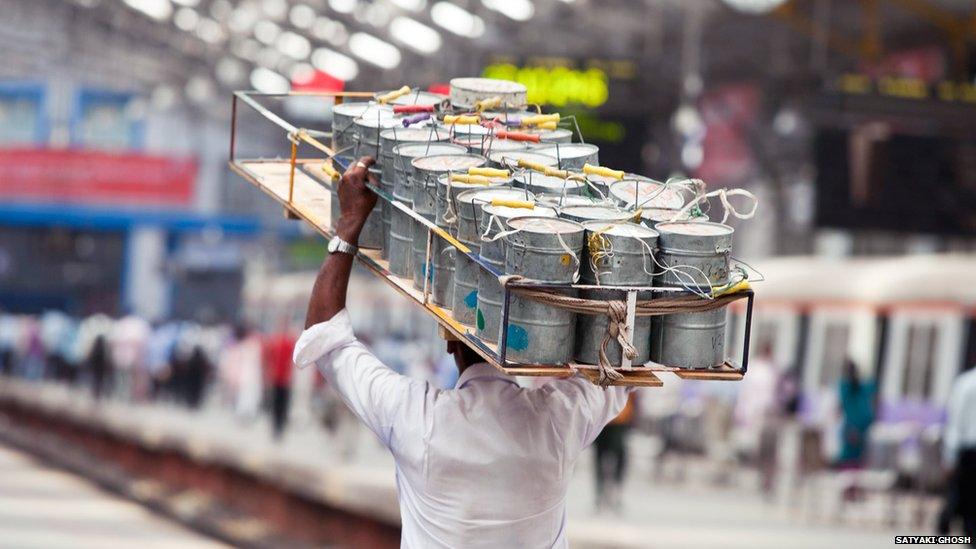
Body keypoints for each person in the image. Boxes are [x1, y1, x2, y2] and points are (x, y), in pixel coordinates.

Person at [293, 157, 633, 548]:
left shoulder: (415, 418)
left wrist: (349, 222)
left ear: (449, 339)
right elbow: (624, 359)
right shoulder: (559, 420)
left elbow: (324, 336)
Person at [940, 365, 976, 539]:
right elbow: (956, 422)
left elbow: (954, 422)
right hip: (969, 450)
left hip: (968, 450)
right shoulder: (967, 383)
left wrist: (950, 455)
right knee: (967, 499)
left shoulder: (966, 383)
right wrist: (950, 454)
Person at [594, 393, 635, 513]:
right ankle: (600, 492)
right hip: (602, 418)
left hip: (620, 419)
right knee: (599, 458)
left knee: (619, 457)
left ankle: (616, 491)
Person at [836, 359, 875, 468]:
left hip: (856, 427)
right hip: (855, 427)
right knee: (853, 457)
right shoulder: (851, 387)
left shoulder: (848, 387)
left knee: (853, 458)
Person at [263, 323, 295, 440]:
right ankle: (276, 427)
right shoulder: (276, 342)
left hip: (284, 379)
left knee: (281, 405)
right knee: (277, 404)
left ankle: (279, 427)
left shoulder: (287, 343)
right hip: (277, 378)